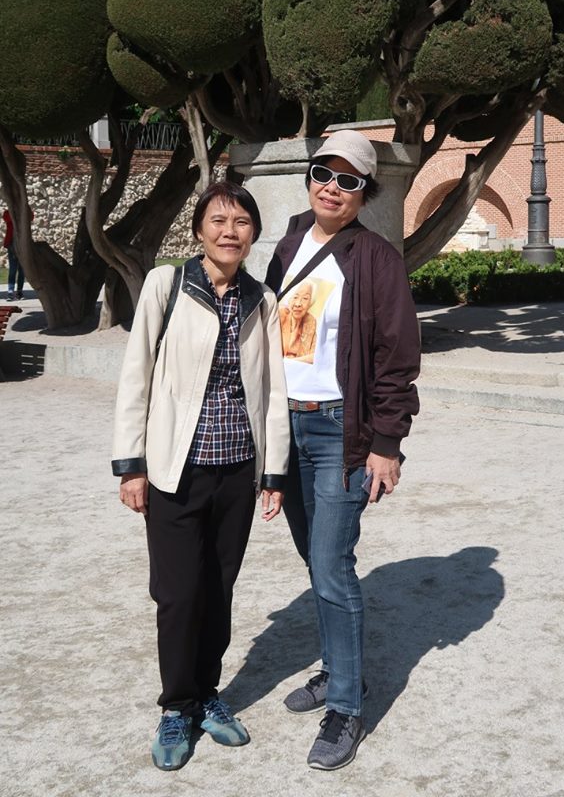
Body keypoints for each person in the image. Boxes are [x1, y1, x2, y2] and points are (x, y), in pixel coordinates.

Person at [112, 181, 290, 772]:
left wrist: (274, 471)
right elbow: (136, 375)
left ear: (253, 233)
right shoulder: (167, 286)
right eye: (218, 220)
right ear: (198, 229)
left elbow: (272, 391)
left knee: (218, 588)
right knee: (178, 593)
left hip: (237, 470)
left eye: (241, 222)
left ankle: (208, 693)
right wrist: (130, 465)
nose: (229, 231)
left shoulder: (261, 299)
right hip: (174, 469)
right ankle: (176, 705)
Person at [265, 129, 421, 771]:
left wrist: (387, 443)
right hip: (286, 428)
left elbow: (397, 356)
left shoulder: (376, 258)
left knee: (331, 565)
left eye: (348, 179)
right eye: (322, 173)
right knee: (315, 559)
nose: (332, 187)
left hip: (340, 431)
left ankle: (347, 706)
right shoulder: (290, 243)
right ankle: (337, 669)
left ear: (364, 192)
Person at [279, 279, 317, 361]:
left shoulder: (311, 321)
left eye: (305, 298)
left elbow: (315, 356)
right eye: (295, 297)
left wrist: (292, 362)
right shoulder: (280, 315)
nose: (298, 304)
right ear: (289, 299)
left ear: (310, 302)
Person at [2, 207, 26, 300]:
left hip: (22, 244)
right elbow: (8, 219)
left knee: (22, 270)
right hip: (11, 244)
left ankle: (19, 291)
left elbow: (31, 217)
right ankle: (10, 291)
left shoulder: (23, 210)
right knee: (12, 269)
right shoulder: (7, 213)